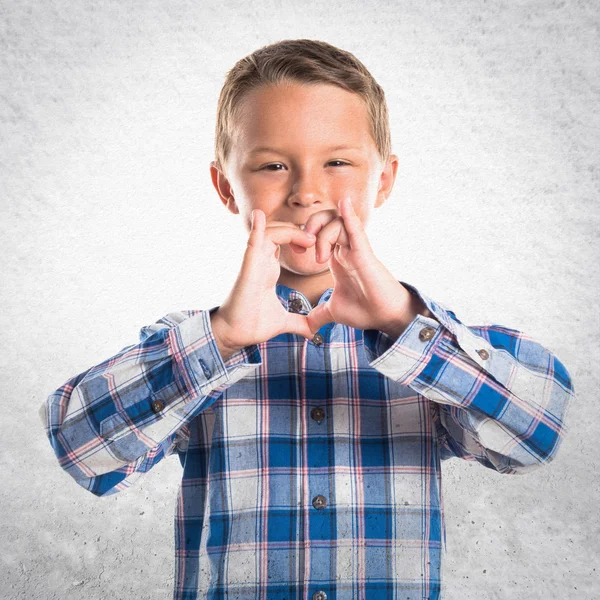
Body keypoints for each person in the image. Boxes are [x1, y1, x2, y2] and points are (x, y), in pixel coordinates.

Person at [40, 39, 574, 600]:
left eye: (337, 162)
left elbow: (538, 433)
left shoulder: (427, 348)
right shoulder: (191, 349)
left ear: (384, 180)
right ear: (227, 187)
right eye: (272, 165)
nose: (306, 192)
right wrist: (221, 338)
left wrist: (399, 317)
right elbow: (81, 453)